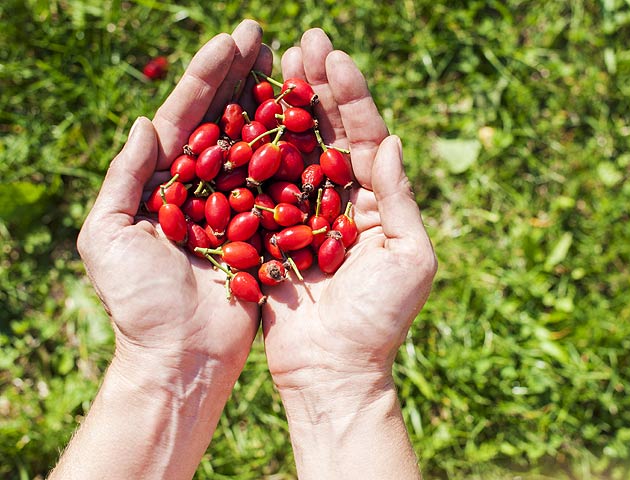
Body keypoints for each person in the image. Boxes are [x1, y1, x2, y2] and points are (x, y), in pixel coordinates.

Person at [49, 20, 437, 480]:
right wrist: (166, 358)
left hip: (260, 230)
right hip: (250, 232)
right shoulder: (241, 200)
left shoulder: (262, 198)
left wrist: (343, 377)